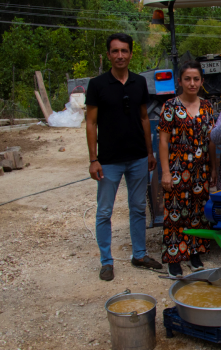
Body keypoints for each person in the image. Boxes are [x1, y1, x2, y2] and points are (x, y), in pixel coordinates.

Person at [85, 33, 162, 281]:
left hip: (138, 157)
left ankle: (139, 255)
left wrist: (150, 152)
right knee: (104, 211)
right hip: (108, 160)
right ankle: (106, 261)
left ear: (130, 54)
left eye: (124, 51)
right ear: (108, 54)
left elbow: (144, 118)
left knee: (138, 208)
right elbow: (91, 122)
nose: (120, 55)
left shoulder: (139, 83)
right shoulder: (97, 85)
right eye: (115, 51)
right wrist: (93, 159)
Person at [157, 61, 216, 277]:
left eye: (196, 79)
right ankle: (175, 258)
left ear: (202, 81)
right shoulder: (170, 106)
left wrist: (213, 168)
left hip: (201, 168)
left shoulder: (207, 106)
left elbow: (211, 141)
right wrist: (165, 171)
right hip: (177, 165)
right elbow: (163, 141)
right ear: (179, 81)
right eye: (187, 79)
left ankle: (194, 252)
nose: (192, 83)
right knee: (175, 211)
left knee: (198, 211)